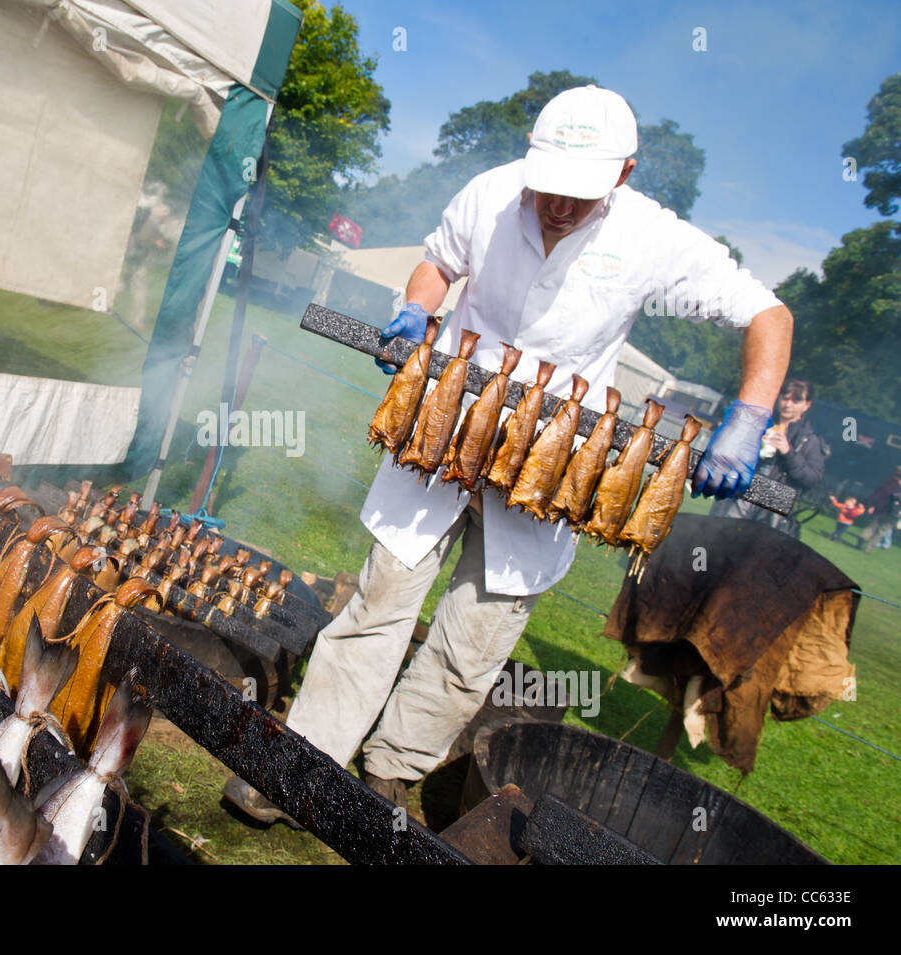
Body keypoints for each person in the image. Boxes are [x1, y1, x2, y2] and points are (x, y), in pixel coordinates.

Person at [222, 85, 793, 822]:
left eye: (578, 194)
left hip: (554, 460)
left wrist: (749, 415)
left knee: (474, 641)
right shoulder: (491, 193)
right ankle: (299, 764)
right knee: (379, 602)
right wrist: (415, 308)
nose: (557, 205)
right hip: (445, 425)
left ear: (622, 174)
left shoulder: (654, 238)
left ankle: (392, 768)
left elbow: (766, 313)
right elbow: (437, 263)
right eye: (549, 184)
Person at [710, 378, 824, 537]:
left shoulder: (810, 440)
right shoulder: (759, 422)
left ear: (807, 405)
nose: (788, 404)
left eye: (796, 400)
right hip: (735, 499)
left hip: (771, 513)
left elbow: (812, 479)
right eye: (785, 398)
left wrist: (788, 452)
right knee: (715, 543)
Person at [859, 467, 901, 552]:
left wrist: (868, 503)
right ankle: (868, 549)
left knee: (871, 527)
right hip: (894, 514)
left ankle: (862, 539)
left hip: (881, 510)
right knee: (881, 532)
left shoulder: (889, 483)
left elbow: (877, 495)